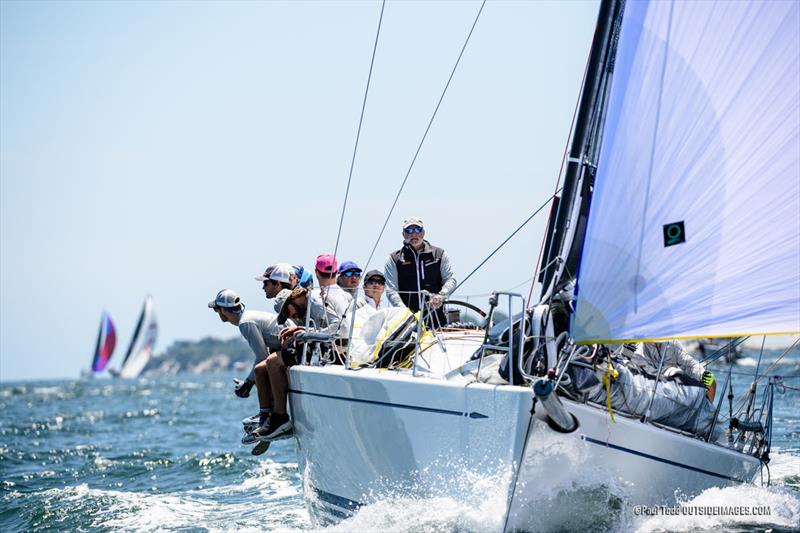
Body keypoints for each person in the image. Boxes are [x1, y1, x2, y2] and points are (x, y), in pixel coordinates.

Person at [207, 289, 286, 433]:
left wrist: (248, 383)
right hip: (288, 347)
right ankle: (267, 413)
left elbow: (262, 356)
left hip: (293, 347)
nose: (217, 313)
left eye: (216, 310)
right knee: (262, 368)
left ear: (223, 310)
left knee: (259, 369)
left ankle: (265, 417)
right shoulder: (247, 318)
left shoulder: (245, 322)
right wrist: (248, 382)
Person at [384, 217, 456, 326]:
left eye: (417, 230)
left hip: (436, 318)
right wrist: (404, 312)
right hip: (407, 321)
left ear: (423, 232)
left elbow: (451, 279)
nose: (413, 234)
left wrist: (441, 295)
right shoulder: (394, 259)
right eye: (409, 231)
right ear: (403, 234)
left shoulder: (439, 254)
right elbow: (391, 290)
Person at [622, 341, 716, 402]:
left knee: (711, 381)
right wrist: (671, 373)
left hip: (670, 391)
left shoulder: (672, 344)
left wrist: (702, 373)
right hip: (645, 392)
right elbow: (624, 365)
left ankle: (706, 420)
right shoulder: (634, 347)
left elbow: (689, 364)